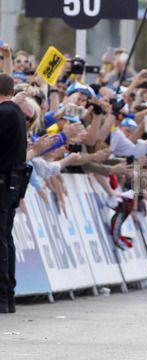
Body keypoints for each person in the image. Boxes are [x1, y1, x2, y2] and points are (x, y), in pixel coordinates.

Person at [0, 74, 28, 313]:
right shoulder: (17, 112)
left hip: (2, 182)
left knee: (0, 240)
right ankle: (8, 296)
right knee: (6, 239)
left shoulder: (5, 113)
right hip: (13, 184)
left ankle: (1, 296)